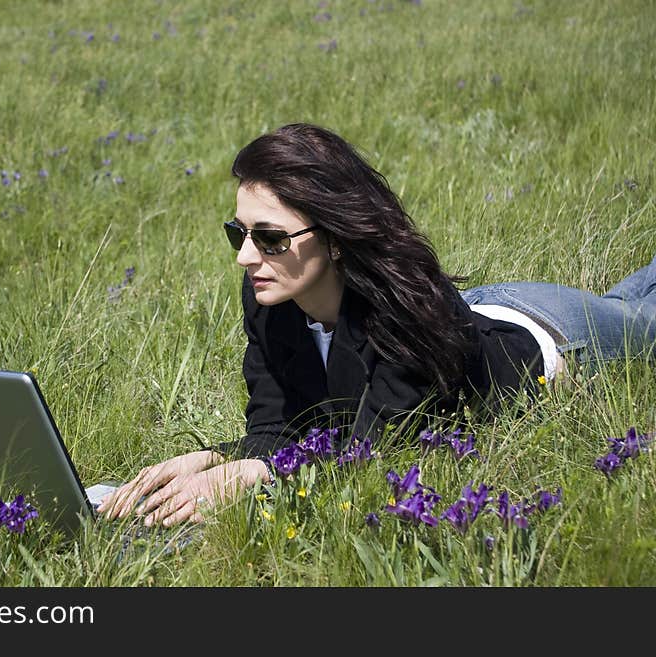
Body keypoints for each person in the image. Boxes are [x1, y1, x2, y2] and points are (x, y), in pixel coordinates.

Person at [97, 122, 656, 528]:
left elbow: (371, 450)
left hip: (551, 335)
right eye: (238, 233)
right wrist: (219, 458)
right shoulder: (270, 295)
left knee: (640, 315)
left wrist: (254, 475)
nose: (246, 257)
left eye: (269, 238)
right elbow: (279, 426)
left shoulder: (408, 318)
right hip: (473, 309)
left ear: (335, 239)